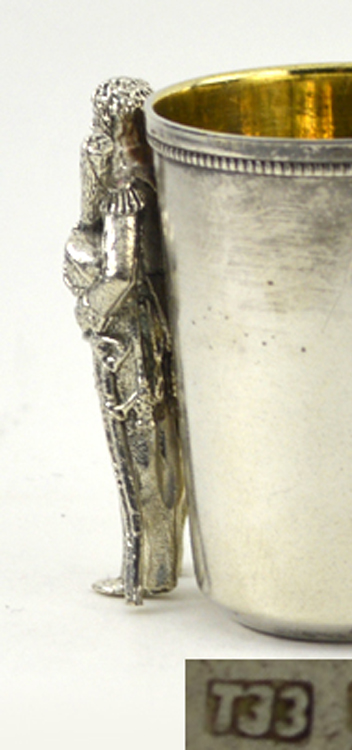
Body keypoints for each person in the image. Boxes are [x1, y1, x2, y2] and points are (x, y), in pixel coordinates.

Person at [64, 78, 186, 605]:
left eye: (100, 120)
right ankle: (160, 566)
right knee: (163, 449)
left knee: (138, 455)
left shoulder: (125, 194)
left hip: (128, 333)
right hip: (157, 325)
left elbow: (118, 273)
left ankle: (145, 574)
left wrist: (87, 309)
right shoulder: (160, 179)